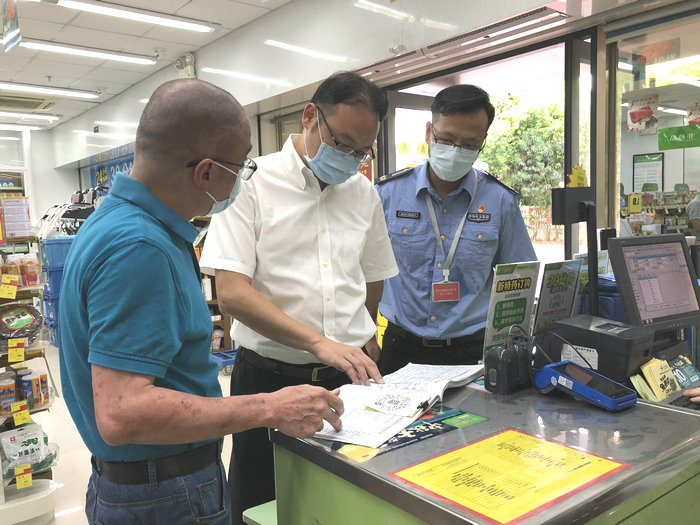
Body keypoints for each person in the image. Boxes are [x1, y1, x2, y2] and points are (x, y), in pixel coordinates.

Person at [58, 78, 344, 525]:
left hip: (145, 486)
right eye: (241, 164)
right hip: (163, 495)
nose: (243, 178)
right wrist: (271, 407)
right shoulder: (141, 248)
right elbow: (122, 413)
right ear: (206, 172)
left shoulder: (118, 223)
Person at [199, 71, 398, 523]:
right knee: (260, 503)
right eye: (341, 142)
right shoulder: (248, 183)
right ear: (310, 116)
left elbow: (372, 275)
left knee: (351, 502)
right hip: (268, 378)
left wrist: (363, 332)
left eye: (360, 151)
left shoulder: (364, 193)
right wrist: (317, 341)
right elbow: (231, 293)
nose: (349, 158)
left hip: (349, 381)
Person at [375, 84, 537, 375]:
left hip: (472, 351)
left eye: (469, 144)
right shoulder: (387, 195)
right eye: (446, 139)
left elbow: (518, 279)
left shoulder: (500, 201)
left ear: (483, 143)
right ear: (428, 132)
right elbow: (365, 270)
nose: (455, 151)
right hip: (401, 348)